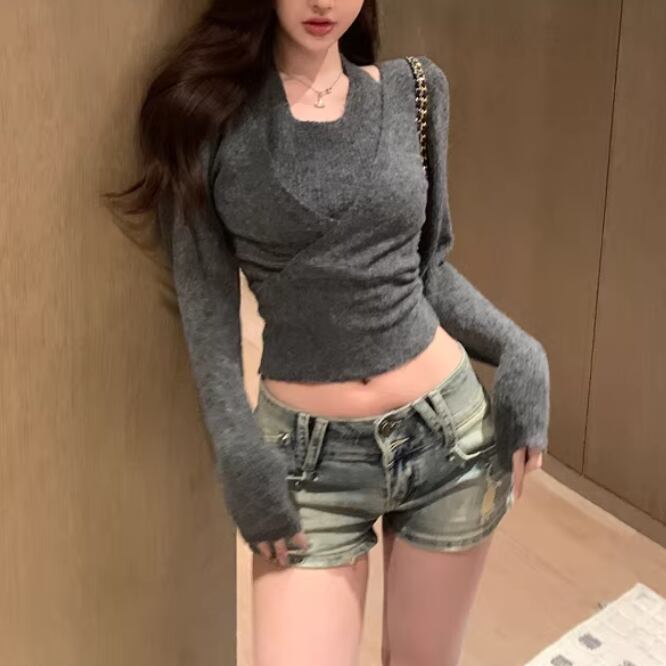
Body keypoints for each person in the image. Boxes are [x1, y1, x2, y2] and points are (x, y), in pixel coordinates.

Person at [106, 1, 550, 664]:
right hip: (307, 464)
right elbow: (206, 308)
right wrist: (237, 446)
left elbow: (428, 270)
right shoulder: (206, 115)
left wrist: (518, 349)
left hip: (449, 442)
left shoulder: (416, 91)